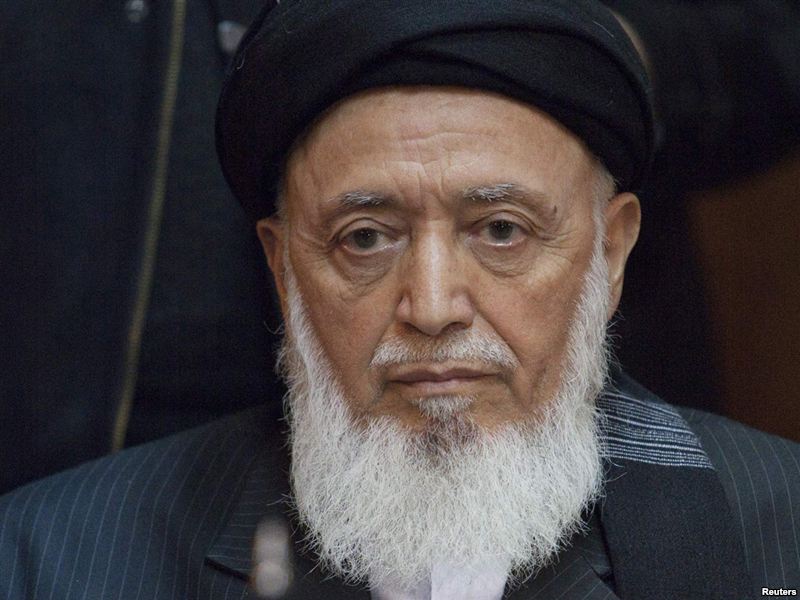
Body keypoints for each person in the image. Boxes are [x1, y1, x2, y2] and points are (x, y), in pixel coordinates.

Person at [1, 1, 798, 599]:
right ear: (282, 265)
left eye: (501, 230)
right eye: (365, 238)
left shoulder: (778, 533)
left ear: (611, 249)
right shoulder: (50, 561)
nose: (433, 305)